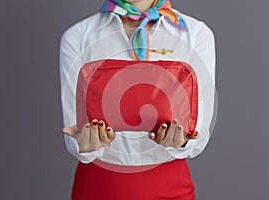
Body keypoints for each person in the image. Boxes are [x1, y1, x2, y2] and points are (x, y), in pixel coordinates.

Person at [60, 0, 216, 199]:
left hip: (170, 187)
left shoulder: (195, 35)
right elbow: (73, 131)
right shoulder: (79, 36)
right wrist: (85, 144)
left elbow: (199, 132)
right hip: (98, 187)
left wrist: (184, 141)